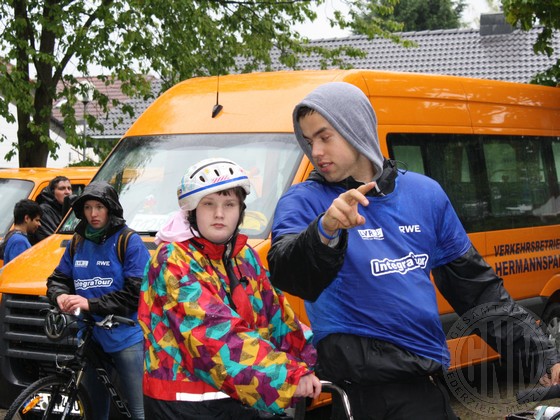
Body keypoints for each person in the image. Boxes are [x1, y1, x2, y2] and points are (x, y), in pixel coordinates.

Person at [267, 82, 560, 419]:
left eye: (324, 136)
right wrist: (325, 230)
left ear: (356, 129)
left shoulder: (425, 194)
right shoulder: (304, 200)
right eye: (308, 140)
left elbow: (478, 291)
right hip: (359, 396)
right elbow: (288, 273)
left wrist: (540, 355)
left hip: (426, 388)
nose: (315, 151)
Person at [138, 158, 321, 419]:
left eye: (229, 204)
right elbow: (213, 336)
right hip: (184, 406)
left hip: (237, 402)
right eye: (209, 204)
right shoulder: (172, 260)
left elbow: (278, 318)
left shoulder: (244, 257)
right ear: (192, 211)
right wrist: (288, 376)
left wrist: (314, 359)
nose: (220, 214)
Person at [46, 181, 149, 420]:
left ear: (110, 209)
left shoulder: (129, 241)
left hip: (126, 337)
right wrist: (60, 294)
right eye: (88, 207)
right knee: (94, 409)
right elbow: (58, 278)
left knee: (139, 411)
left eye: (99, 207)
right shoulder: (77, 242)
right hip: (91, 337)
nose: (93, 214)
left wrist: (89, 304)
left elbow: (135, 294)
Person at [30, 175, 73, 244]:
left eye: (69, 188)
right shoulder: (44, 210)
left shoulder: (71, 209)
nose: (67, 192)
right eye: (62, 188)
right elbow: (53, 239)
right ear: (53, 192)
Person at [0, 199, 42, 264]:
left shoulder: (12, 235)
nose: (39, 224)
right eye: (37, 220)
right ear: (27, 218)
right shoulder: (20, 241)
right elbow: (20, 270)